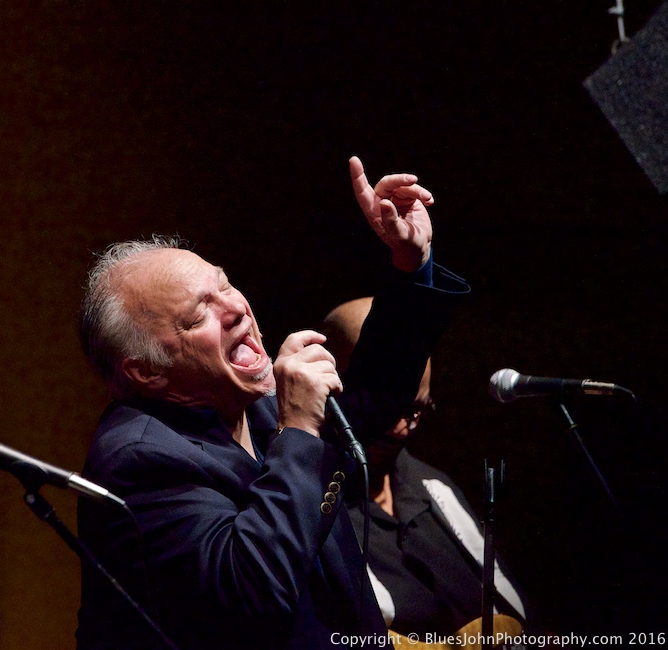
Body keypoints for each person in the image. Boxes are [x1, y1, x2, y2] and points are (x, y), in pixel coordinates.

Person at [75, 157, 467, 649]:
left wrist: (410, 264)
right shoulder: (139, 461)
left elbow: (372, 398)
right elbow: (253, 591)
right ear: (147, 371)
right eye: (200, 316)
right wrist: (300, 428)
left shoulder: (251, 403)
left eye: (224, 285)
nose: (236, 307)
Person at [321, 297, 528, 639]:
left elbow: (514, 612)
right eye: (387, 410)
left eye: (417, 410)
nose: (403, 428)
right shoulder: (316, 509)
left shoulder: (434, 487)